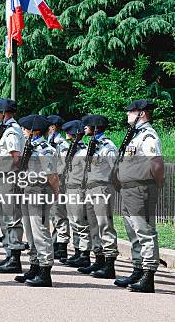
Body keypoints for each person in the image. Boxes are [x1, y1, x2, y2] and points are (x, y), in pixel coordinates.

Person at [113, 99, 164, 293]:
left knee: (145, 231)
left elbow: (156, 163)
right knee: (132, 231)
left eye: (131, 111)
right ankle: (137, 269)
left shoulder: (148, 135)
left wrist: (157, 184)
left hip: (141, 189)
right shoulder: (135, 135)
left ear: (141, 113)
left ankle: (148, 274)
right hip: (129, 190)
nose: (128, 114)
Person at [14, 115, 59, 287]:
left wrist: (55, 192)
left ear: (33, 131)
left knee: (40, 231)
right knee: (30, 232)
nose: (24, 132)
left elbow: (52, 176)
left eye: (25, 129)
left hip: (39, 190)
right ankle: (34, 265)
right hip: (27, 190)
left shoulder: (46, 149)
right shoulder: (29, 146)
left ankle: (45, 270)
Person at [77, 114, 118, 279]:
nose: (84, 128)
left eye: (87, 126)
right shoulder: (91, 145)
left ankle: (109, 264)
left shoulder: (107, 146)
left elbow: (115, 167)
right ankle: (98, 258)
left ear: (95, 127)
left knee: (104, 224)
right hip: (89, 188)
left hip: (102, 188)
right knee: (93, 224)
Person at [0, 98, 25, 274]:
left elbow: (15, 157)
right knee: (3, 217)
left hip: (9, 178)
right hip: (2, 177)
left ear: (4, 113)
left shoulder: (12, 131)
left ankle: (15, 256)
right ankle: (9, 253)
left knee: (12, 217)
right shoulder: (5, 129)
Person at [59, 120, 93, 268]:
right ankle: (78, 251)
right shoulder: (69, 149)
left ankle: (85, 254)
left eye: (69, 132)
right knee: (73, 221)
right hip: (69, 187)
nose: (67, 134)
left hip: (78, 189)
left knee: (81, 222)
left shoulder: (84, 151)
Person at [46, 114, 70, 260]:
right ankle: (55, 242)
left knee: (59, 215)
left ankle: (62, 246)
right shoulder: (49, 142)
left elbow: (65, 164)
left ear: (53, 127)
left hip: (58, 182)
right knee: (52, 215)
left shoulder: (62, 144)